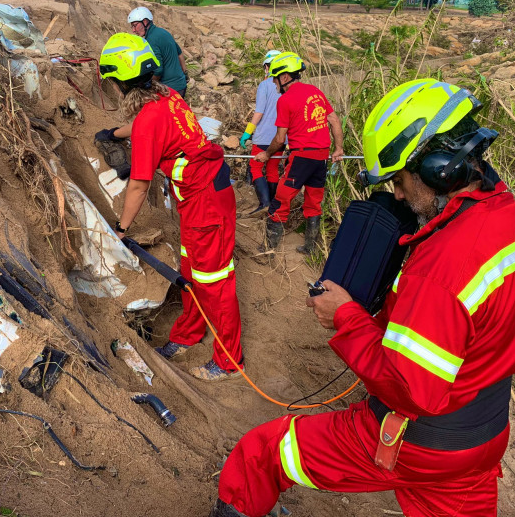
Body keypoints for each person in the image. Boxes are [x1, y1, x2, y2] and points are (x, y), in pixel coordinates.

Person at [209, 78, 515, 517]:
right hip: (481, 440)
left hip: (419, 442)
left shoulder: (441, 268)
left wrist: (346, 318)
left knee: (261, 454)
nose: (396, 193)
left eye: (399, 179)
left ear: (438, 168)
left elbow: (411, 389)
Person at [96, 33, 244, 382]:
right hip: (197, 202)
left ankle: (229, 362)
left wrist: (122, 228)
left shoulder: (149, 118)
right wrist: (115, 134)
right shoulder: (167, 96)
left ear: (120, 82)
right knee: (194, 275)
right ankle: (187, 335)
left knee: (216, 283)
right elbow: (145, 124)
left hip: (207, 204)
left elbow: (139, 183)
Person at [255, 52, 344, 254]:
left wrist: (266, 155)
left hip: (301, 158)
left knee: (279, 201)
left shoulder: (285, 101)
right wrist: (338, 148)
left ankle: (268, 250)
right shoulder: (315, 92)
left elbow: (279, 139)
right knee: (314, 203)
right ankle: (310, 248)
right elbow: (334, 120)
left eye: (275, 79)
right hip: (321, 158)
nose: (275, 84)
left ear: (285, 77)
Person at [239, 49, 282, 216]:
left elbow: (259, 112)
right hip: (280, 136)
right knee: (272, 169)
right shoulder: (287, 86)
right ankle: (273, 206)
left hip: (264, 135)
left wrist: (247, 132)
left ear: (267, 66)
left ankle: (265, 203)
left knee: (256, 168)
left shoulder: (265, 85)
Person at [127, 7, 189, 97]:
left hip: (170, 89)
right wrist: (185, 73)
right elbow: (179, 53)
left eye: (135, 25)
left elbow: (158, 70)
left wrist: (148, 87)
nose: (133, 30)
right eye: (132, 26)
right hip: (181, 85)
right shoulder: (163, 32)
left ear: (144, 22)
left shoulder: (151, 40)